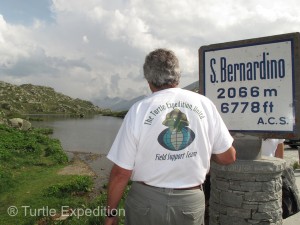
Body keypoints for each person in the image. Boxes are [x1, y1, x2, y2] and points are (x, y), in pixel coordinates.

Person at [105, 48, 236, 225]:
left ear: (149, 80)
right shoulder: (205, 104)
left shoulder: (139, 109)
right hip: (189, 202)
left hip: (145, 203)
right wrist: (201, 152)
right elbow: (228, 157)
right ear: (178, 76)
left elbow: (121, 173)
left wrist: (111, 214)